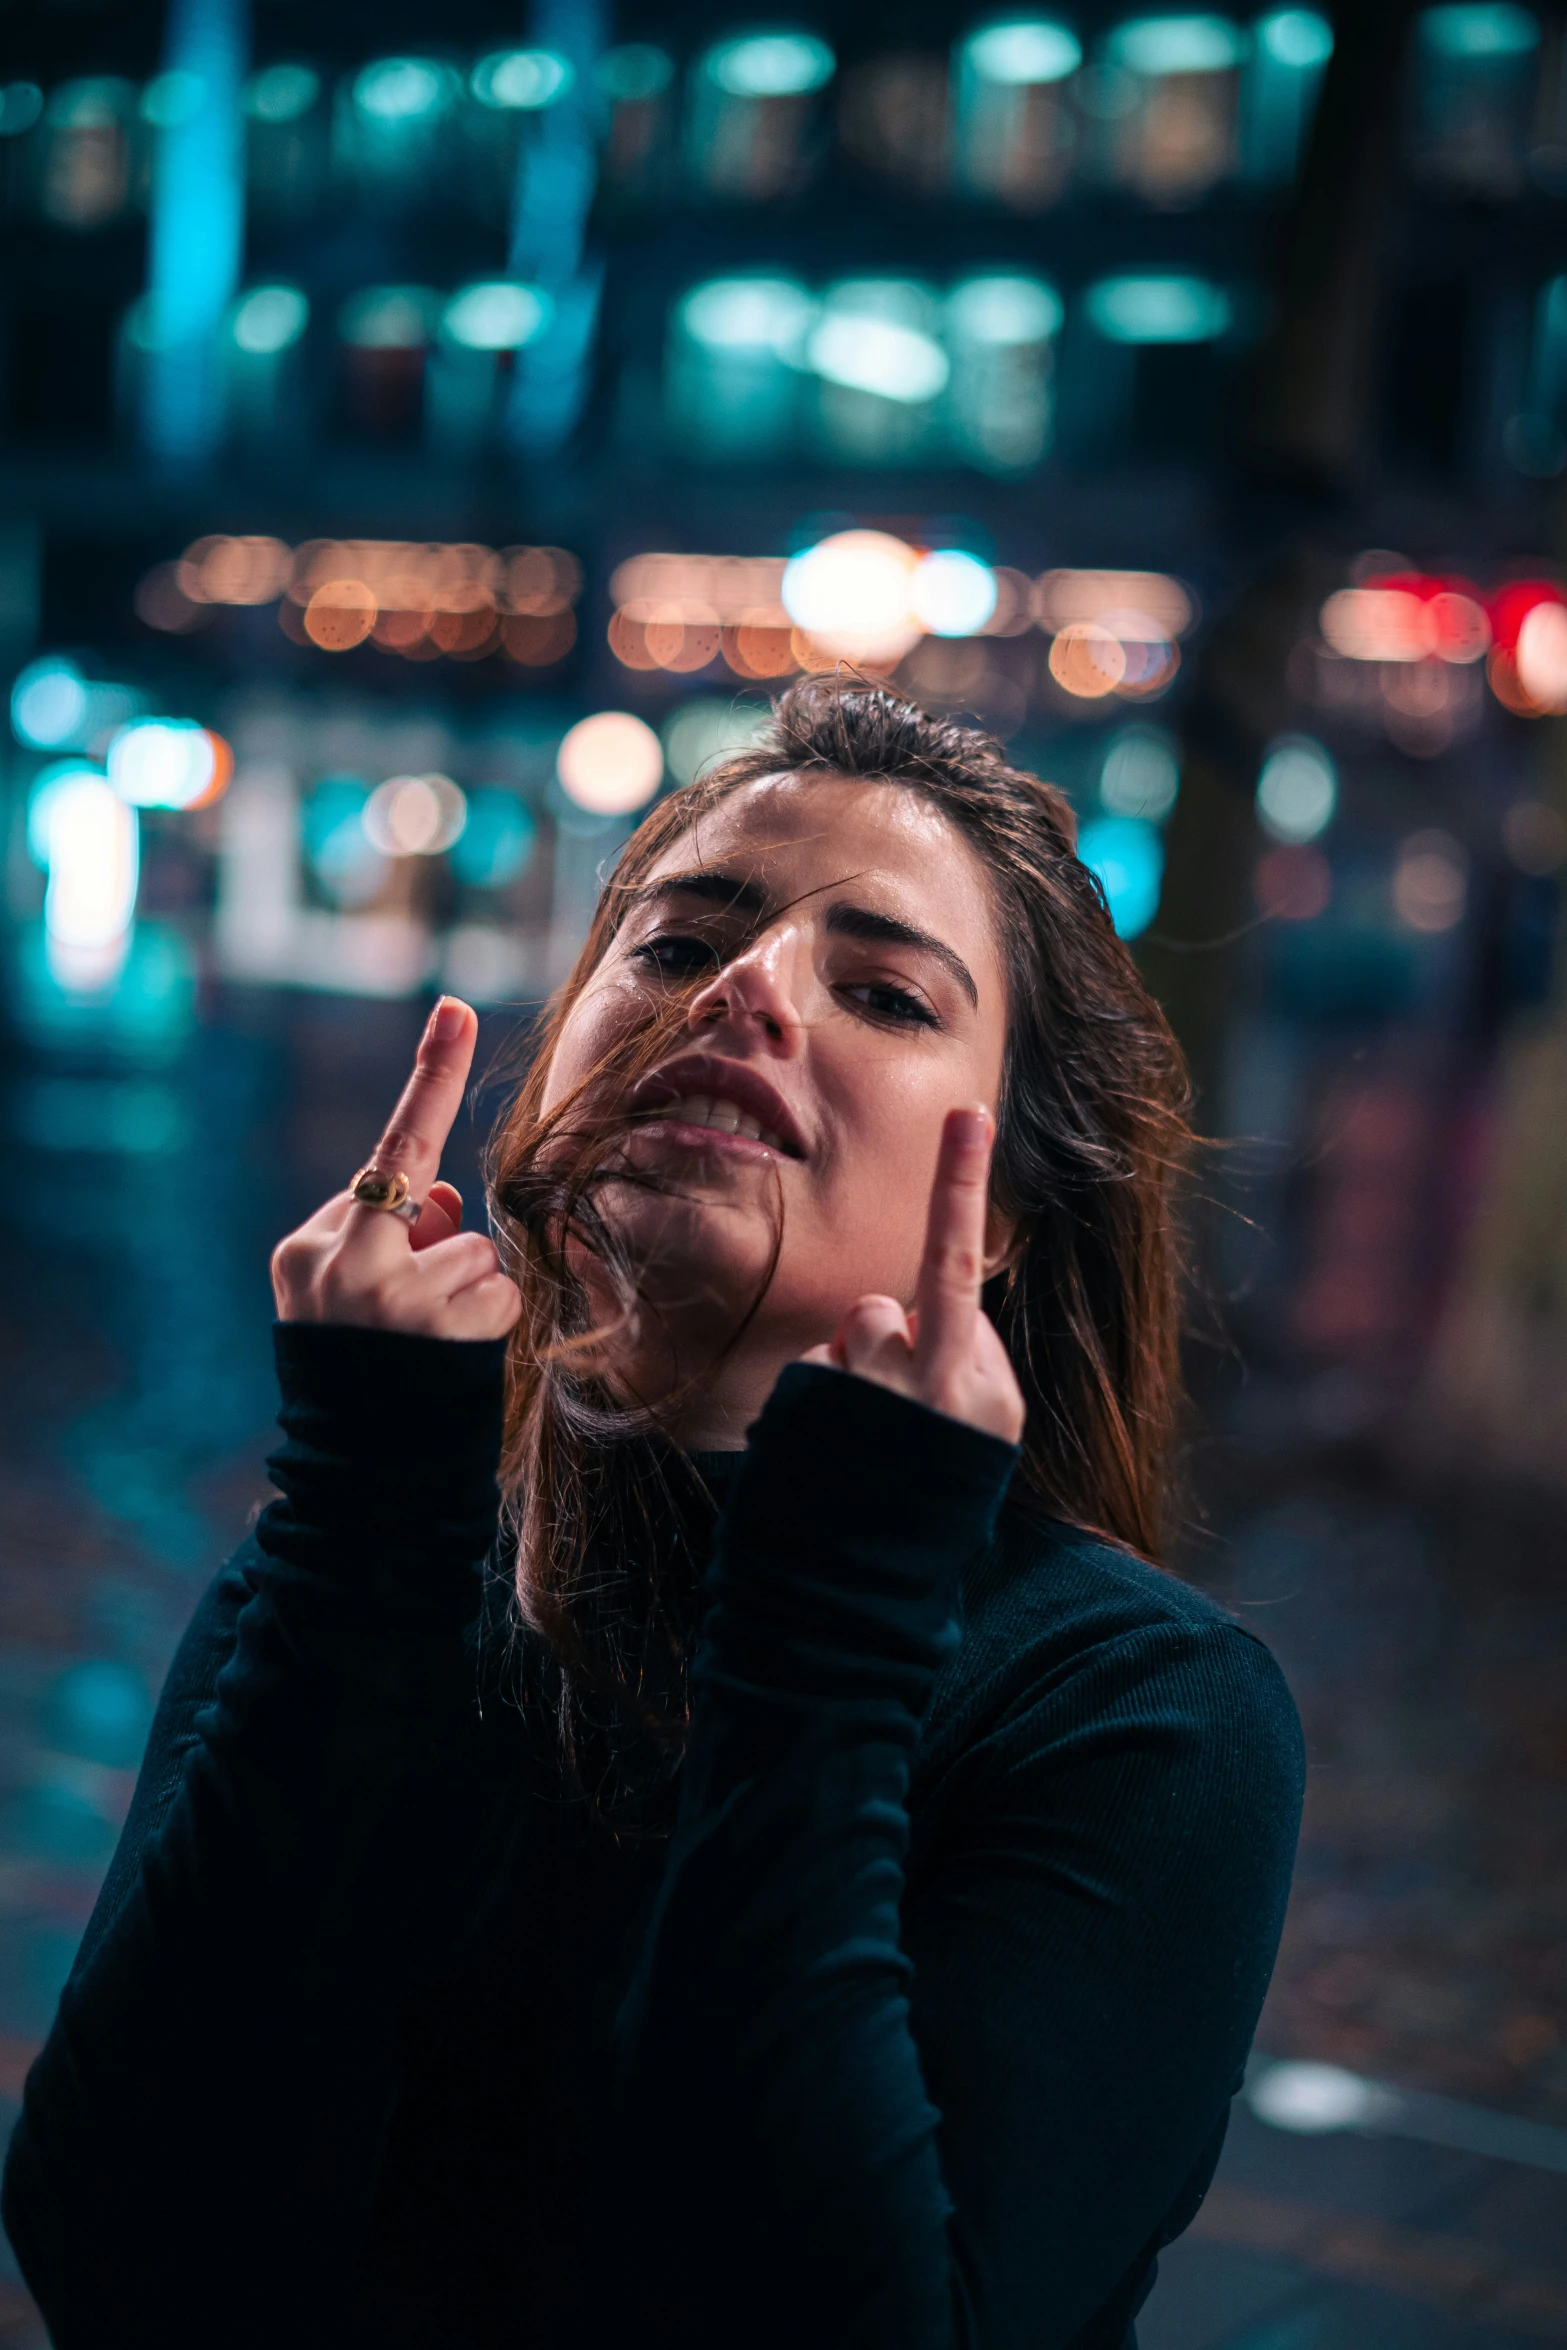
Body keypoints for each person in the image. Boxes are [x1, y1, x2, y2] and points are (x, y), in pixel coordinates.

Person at [3, 678, 1303, 2350]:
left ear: (994, 1233)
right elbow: (122, 2260)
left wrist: (837, 1607)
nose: (749, 990)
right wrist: (358, 1526)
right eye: (682, 947)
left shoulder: (1137, 1712)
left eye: (884, 992)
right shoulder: (357, 1561)